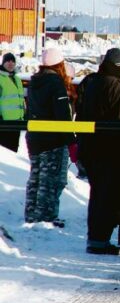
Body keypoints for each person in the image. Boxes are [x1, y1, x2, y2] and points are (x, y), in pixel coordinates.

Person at [79, 49, 120, 255]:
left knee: (98, 195)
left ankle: (96, 238)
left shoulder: (93, 82)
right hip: (110, 150)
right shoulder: (115, 84)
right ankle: (100, 241)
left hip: (93, 148)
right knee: (107, 196)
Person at [25, 48, 74, 226]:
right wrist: (72, 141)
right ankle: (46, 217)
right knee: (51, 180)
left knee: (36, 177)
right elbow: (63, 116)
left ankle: (32, 214)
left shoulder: (34, 82)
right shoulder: (55, 83)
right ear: (59, 64)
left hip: (34, 138)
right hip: (53, 140)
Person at [0, 52, 25, 152]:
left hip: (17, 121)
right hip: (4, 123)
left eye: (12, 61)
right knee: (5, 151)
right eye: (8, 61)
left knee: (14, 149)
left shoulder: (17, 79)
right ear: (3, 63)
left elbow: (20, 99)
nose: (10, 63)